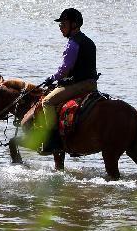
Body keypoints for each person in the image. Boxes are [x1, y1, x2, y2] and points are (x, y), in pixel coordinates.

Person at [32, 8, 99, 152]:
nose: (61, 28)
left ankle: (53, 141)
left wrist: (51, 78)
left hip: (79, 84)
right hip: (92, 84)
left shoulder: (72, 43)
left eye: (63, 24)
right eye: (60, 25)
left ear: (73, 25)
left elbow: (64, 70)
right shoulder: (89, 41)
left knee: (47, 102)